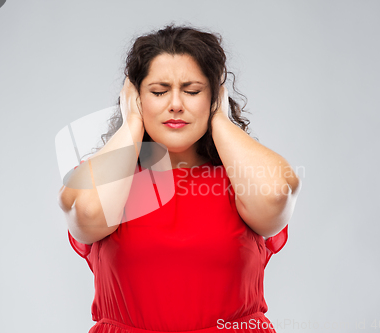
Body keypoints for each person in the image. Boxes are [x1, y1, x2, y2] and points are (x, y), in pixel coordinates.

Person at [58, 24, 301, 333]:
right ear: (135, 97)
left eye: (193, 91)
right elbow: (87, 214)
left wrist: (220, 119)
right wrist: (132, 122)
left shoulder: (240, 179)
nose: (175, 104)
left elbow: (276, 196)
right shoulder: (109, 180)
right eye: (159, 92)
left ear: (214, 97)